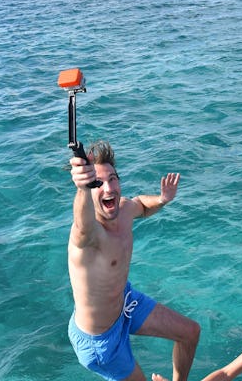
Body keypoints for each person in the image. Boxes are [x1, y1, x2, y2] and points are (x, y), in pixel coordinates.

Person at [66, 141, 200, 381]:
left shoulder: (124, 209)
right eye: (97, 183)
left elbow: (140, 205)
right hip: (101, 341)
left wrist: (162, 199)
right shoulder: (88, 235)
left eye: (113, 179)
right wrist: (82, 187)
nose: (108, 188)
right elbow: (82, 224)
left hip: (124, 303)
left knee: (190, 332)